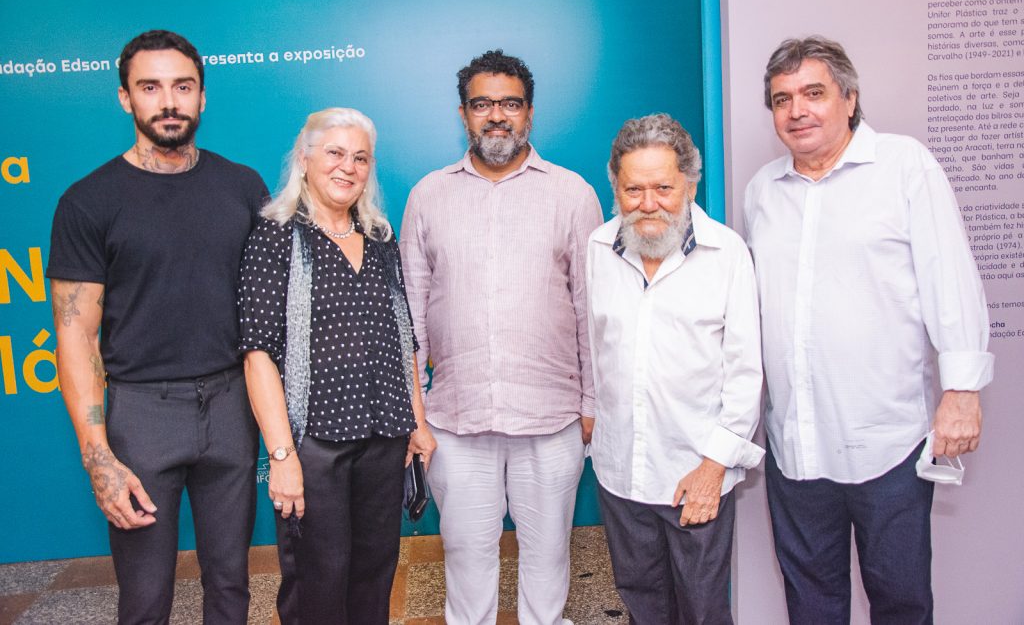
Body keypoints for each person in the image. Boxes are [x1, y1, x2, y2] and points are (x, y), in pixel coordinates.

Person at [744, 35, 994, 624]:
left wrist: (961, 390)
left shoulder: (904, 166)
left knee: (900, 599)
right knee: (810, 601)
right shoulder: (763, 191)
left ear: (850, 99)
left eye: (813, 93)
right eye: (782, 99)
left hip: (888, 442)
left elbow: (949, 275)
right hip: (796, 441)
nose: (797, 110)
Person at [46, 29, 268, 623]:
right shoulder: (88, 202)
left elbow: (270, 311)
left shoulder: (243, 187)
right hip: (142, 415)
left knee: (232, 585)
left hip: (231, 407)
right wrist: (98, 456)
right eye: (150, 87)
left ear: (202, 96)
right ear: (125, 97)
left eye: (182, 87)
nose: (168, 102)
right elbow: (76, 337)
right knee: (145, 598)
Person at [400, 49, 603, 625]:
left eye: (510, 104)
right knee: (466, 558)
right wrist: (416, 410)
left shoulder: (572, 194)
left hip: (552, 416)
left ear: (529, 113)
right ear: (463, 114)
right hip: (456, 420)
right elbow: (409, 315)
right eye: (482, 104)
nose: (496, 116)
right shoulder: (428, 195)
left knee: (548, 556)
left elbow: (592, 309)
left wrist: (592, 404)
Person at [238, 107, 435, 624]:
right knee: (317, 582)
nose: (348, 167)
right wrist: (281, 456)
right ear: (304, 160)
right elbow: (258, 355)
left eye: (360, 158)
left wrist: (417, 422)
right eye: (335, 153)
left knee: (374, 575)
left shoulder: (379, 236)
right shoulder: (276, 235)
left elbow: (402, 337)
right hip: (314, 445)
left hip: (384, 437)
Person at [587, 114, 764, 624]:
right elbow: (596, 350)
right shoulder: (598, 248)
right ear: (616, 189)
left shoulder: (726, 253)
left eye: (663, 188)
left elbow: (745, 372)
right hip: (621, 473)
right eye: (633, 190)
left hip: (694, 473)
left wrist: (714, 467)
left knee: (702, 609)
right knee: (641, 603)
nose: (649, 204)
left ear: (689, 185)